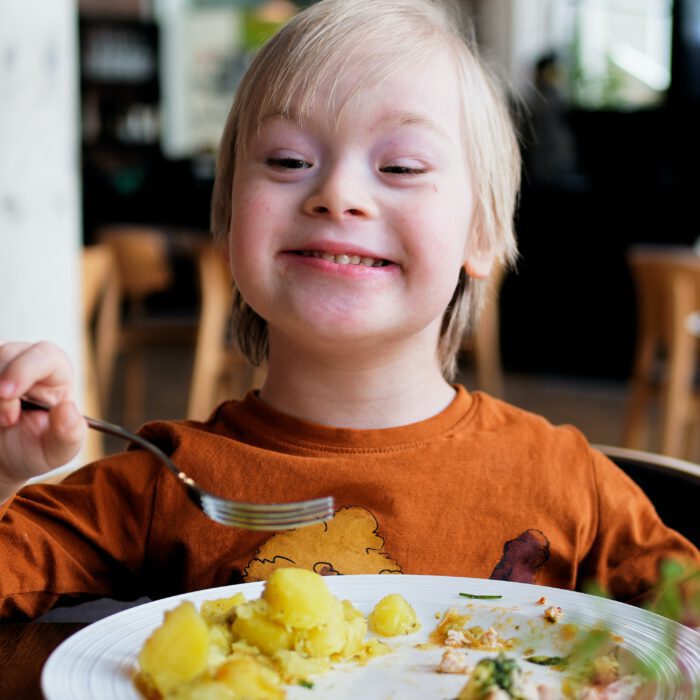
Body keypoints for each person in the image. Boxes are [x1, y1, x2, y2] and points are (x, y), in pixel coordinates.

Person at [0, 0, 697, 620]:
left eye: (399, 167)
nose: (337, 193)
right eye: (286, 159)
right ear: (229, 222)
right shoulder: (166, 481)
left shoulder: (565, 479)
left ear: (479, 234)